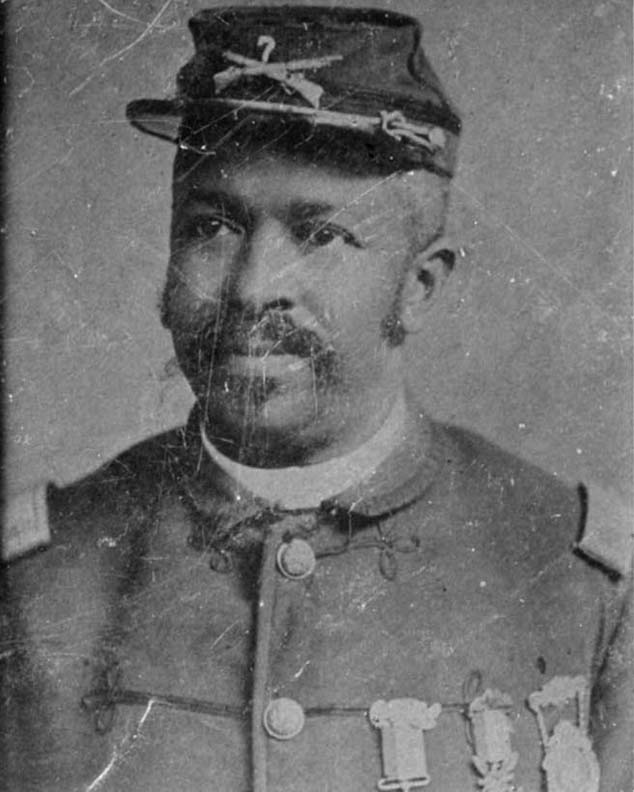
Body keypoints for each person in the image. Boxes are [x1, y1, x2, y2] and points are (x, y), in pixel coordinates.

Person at [1, 6, 631, 791]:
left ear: (419, 286)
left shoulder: (587, 590)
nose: (254, 286)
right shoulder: (35, 586)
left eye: (321, 235)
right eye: (213, 226)